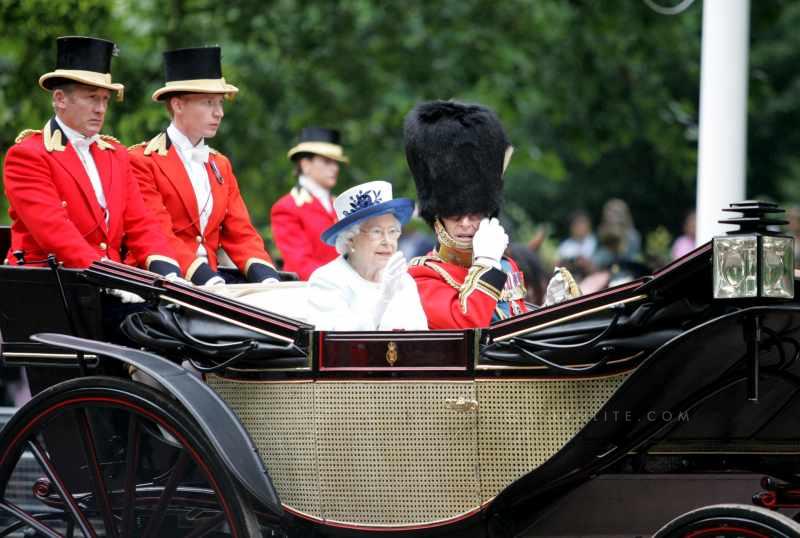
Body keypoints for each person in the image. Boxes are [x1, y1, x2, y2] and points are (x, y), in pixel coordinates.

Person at [2, 36, 181, 282]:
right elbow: (55, 233)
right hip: (52, 288)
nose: (100, 109)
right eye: (91, 97)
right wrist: (113, 277)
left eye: (105, 99)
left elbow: (141, 222)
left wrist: (169, 273)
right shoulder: (28, 155)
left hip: (111, 283)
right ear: (59, 99)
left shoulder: (115, 154)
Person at [128, 46, 278, 286]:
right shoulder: (142, 160)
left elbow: (241, 233)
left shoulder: (221, 164)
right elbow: (157, 232)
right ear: (177, 105)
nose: (219, 113)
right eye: (209, 103)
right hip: (160, 280)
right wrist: (204, 277)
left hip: (211, 281)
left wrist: (267, 278)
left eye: (220, 103)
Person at [404, 100, 529, 329]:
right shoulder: (422, 275)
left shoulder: (507, 265)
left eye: (475, 215)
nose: (465, 224)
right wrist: (487, 264)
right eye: (454, 215)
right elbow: (467, 326)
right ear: (438, 217)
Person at [308, 180, 427, 331]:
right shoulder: (326, 280)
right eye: (376, 232)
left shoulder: (403, 280)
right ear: (350, 239)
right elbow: (339, 344)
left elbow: (422, 340)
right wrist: (384, 298)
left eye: (392, 231)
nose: (388, 242)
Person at [271, 127, 347, 280]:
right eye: (327, 161)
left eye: (336, 162)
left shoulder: (339, 204)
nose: (335, 168)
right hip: (307, 292)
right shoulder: (286, 207)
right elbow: (300, 264)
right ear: (305, 164)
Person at [556, 210, 596, 279]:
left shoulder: (595, 242)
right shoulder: (565, 245)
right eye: (577, 225)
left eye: (583, 223)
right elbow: (557, 265)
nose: (580, 227)